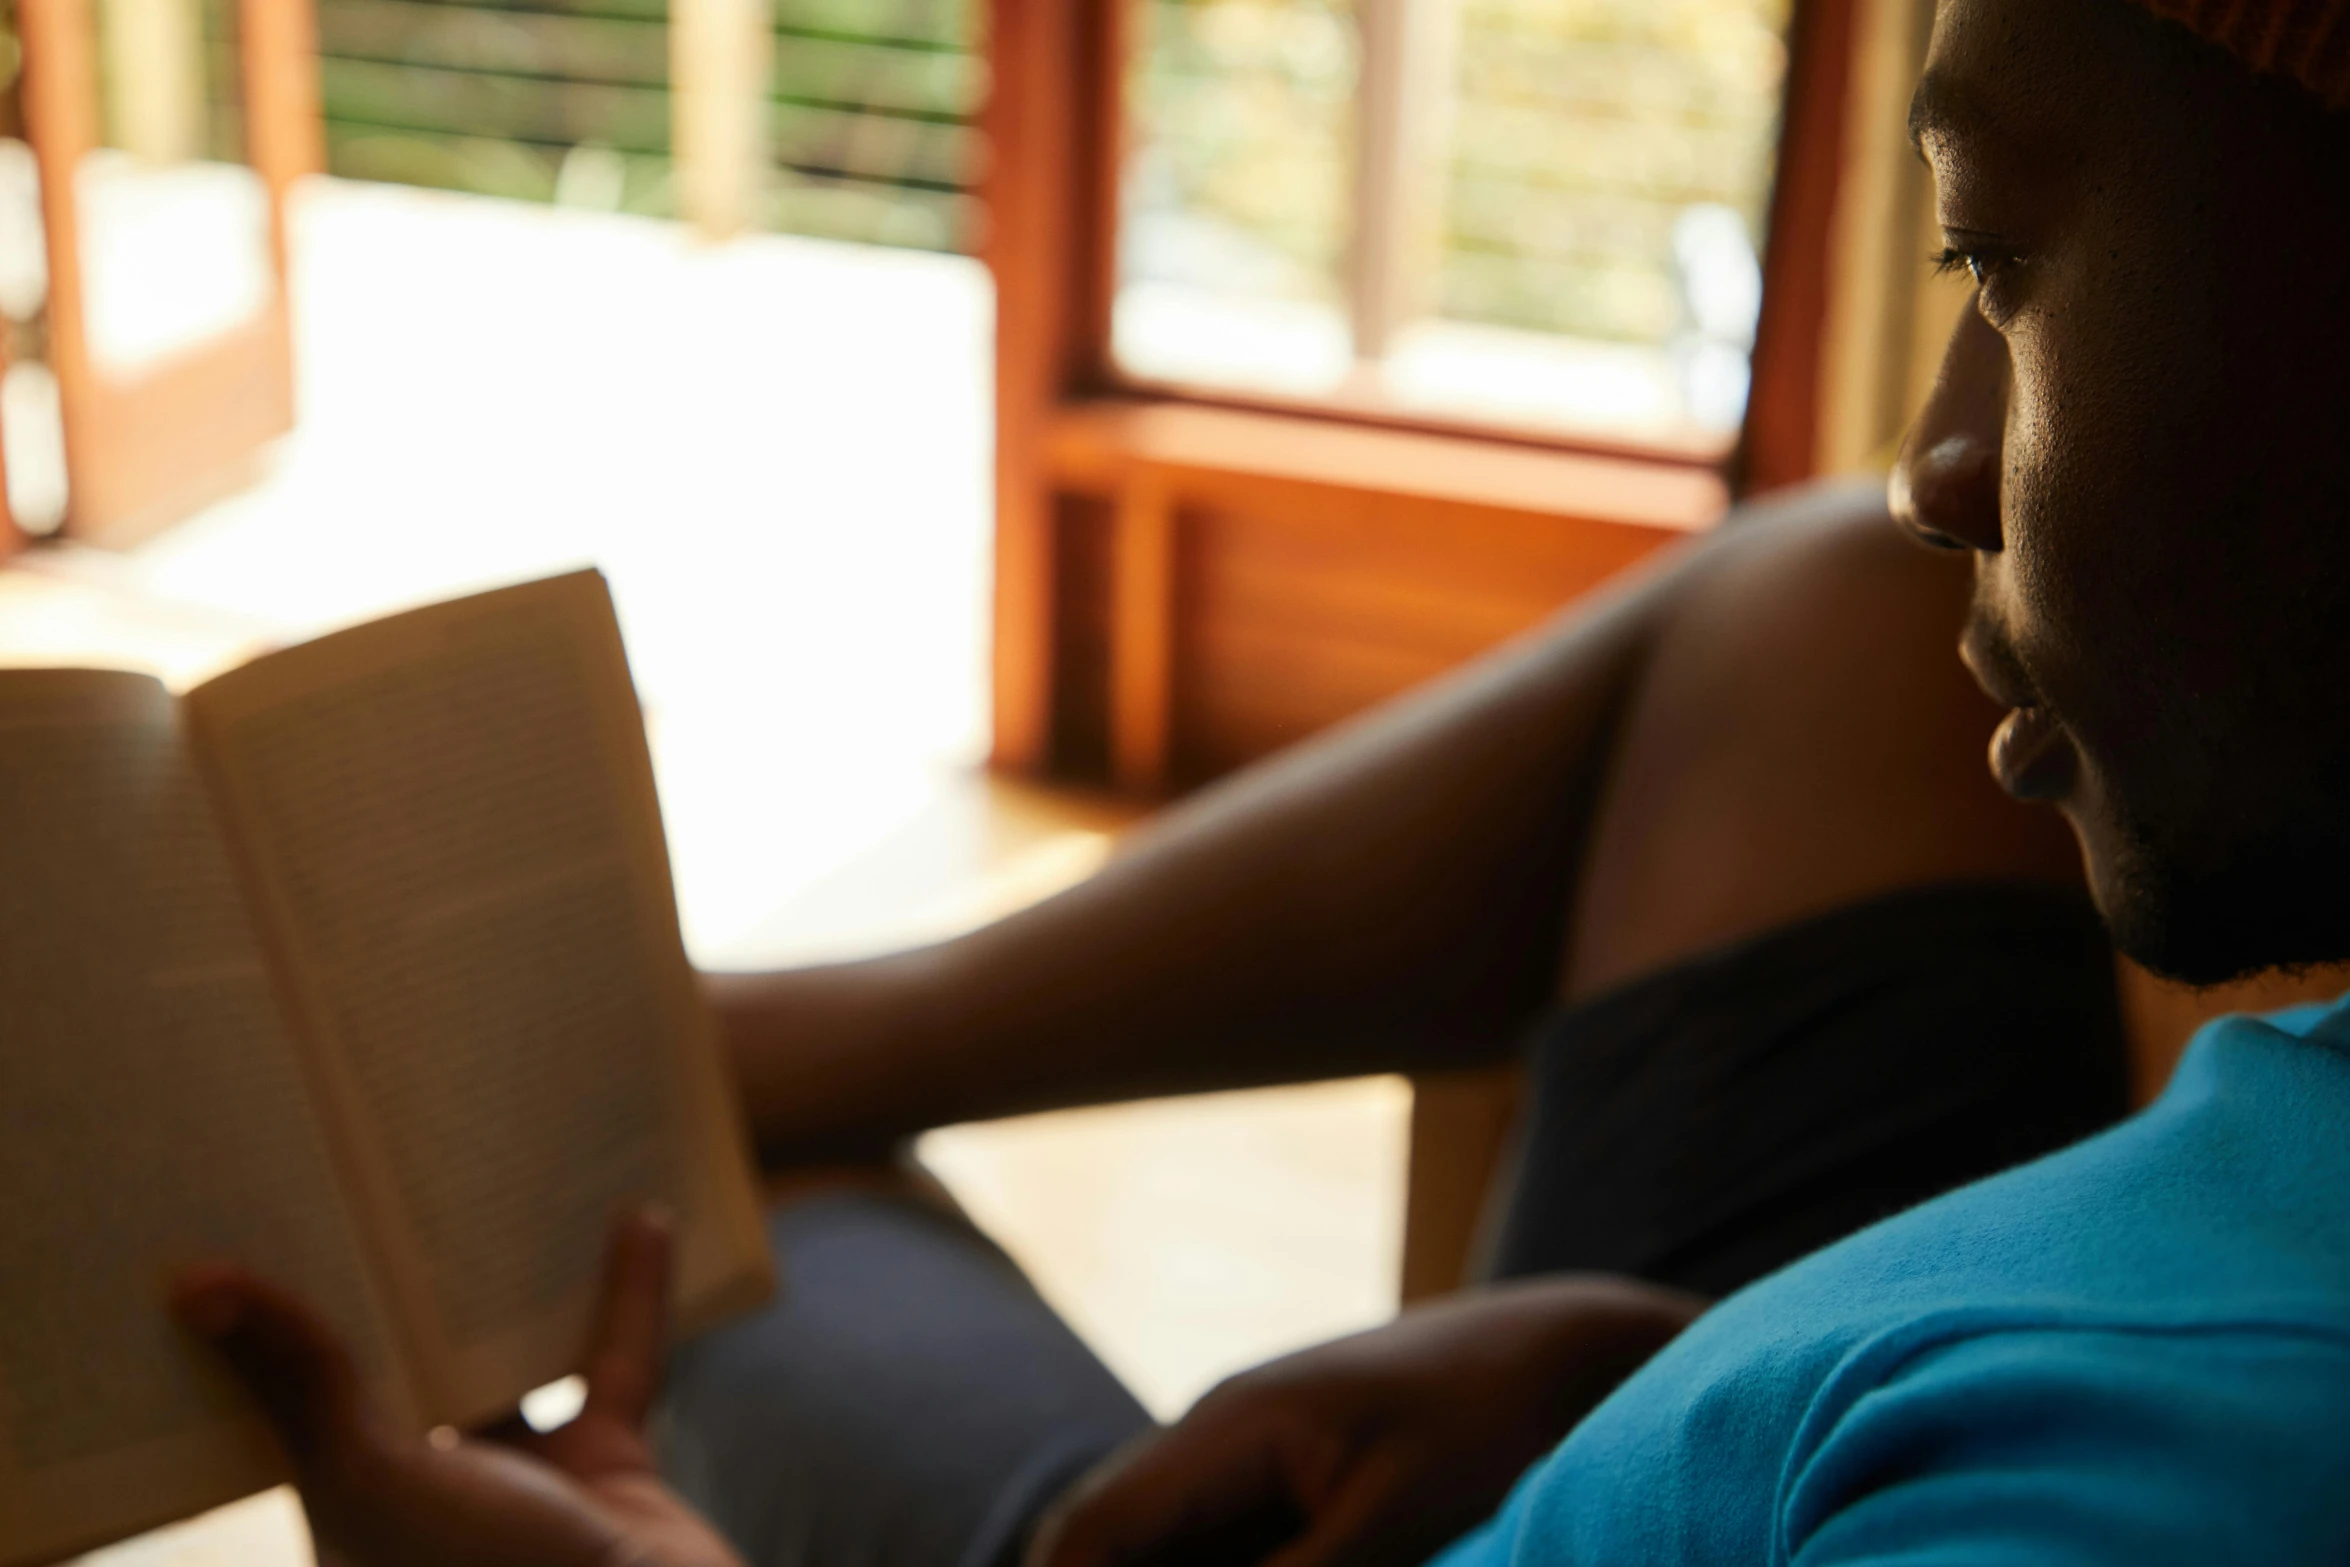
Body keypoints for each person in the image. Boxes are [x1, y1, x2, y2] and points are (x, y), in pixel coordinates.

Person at [169, 0, 2350, 1558]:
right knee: (1822, 613)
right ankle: (753, 1043)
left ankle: (688, 1091)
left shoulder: (2174, 1479)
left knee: (743, 1253)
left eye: (1998, 260)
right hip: (1725, 1385)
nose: (1933, 456)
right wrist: (1642, 1364)